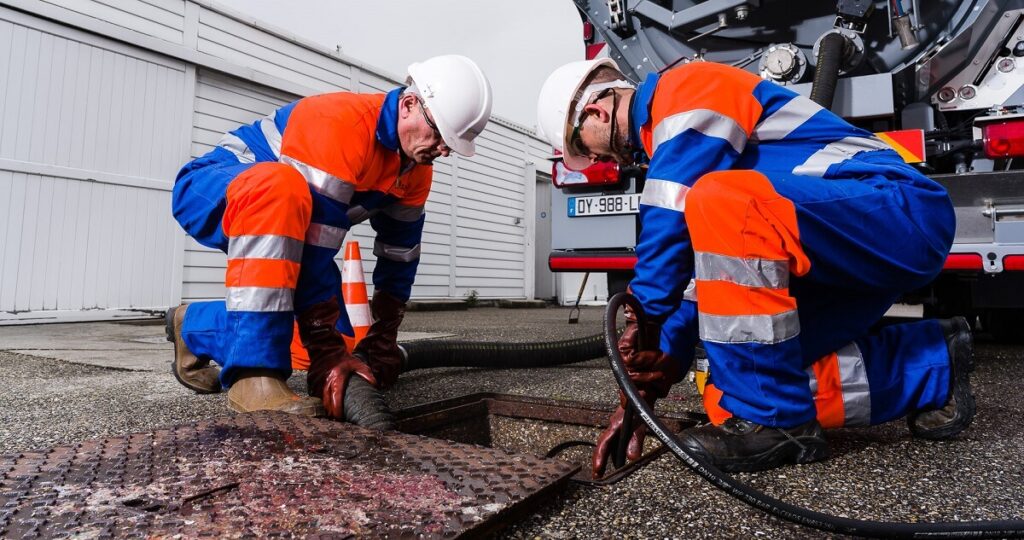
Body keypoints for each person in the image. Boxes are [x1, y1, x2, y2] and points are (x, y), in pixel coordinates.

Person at [536, 58, 975, 476]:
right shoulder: (677, 148)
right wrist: (646, 387)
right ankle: (931, 365)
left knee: (717, 198)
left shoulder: (687, 88)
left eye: (582, 148)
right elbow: (715, 274)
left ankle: (778, 421)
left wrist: (645, 313)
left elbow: (669, 223)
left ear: (595, 111)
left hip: (898, 212)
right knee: (732, 395)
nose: (595, 160)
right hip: (833, 251)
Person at [166, 55, 493, 419]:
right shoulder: (340, 124)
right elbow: (311, 252)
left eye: (452, 143)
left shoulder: (415, 169)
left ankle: (193, 325)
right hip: (213, 188)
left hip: (286, 221)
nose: (444, 149)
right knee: (280, 188)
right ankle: (252, 376)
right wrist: (326, 345)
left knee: (332, 348)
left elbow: (399, 256)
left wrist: (382, 336)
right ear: (409, 104)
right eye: (441, 134)